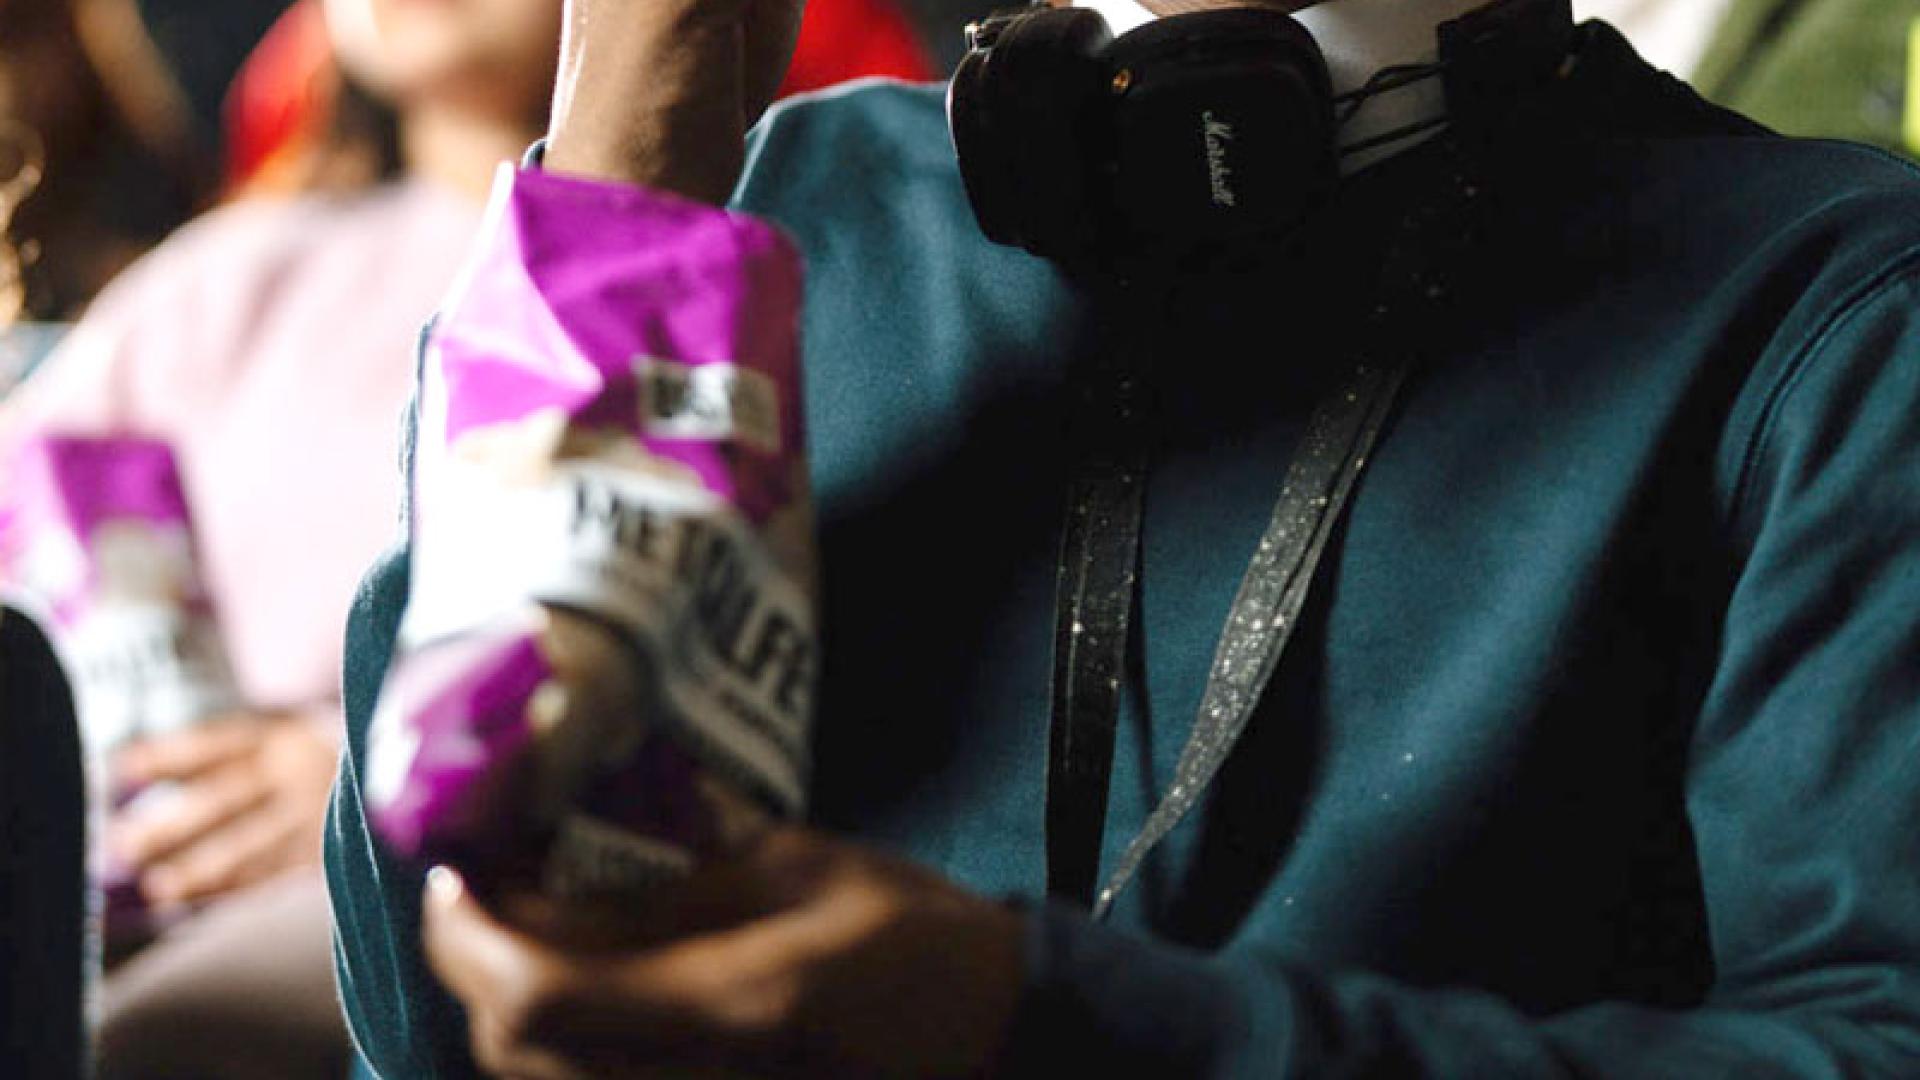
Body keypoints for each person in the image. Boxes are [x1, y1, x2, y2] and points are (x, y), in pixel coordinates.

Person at [325, 0, 1920, 1074]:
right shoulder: (716, 239)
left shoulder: (1834, 305)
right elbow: (425, 1026)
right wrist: (621, 194)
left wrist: (1038, 1026)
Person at [0, 0, 560, 1070]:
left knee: (152, 1043)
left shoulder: (713, 275)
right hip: (91, 851)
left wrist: (355, 776)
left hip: (379, 889)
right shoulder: (230, 277)